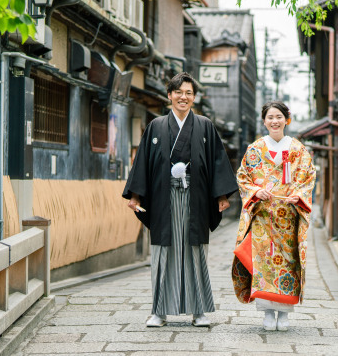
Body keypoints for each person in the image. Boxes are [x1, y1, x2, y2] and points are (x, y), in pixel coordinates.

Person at [123, 72, 237, 328]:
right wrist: (135, 194)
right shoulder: (156, 126)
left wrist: (220, 196)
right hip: (164, 197)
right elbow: (142, 162)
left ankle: (199, 311)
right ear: (169, 96)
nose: (183, 97)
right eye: (178, 92)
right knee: (163, 252)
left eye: (188, 93)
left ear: (194, 98)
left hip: (195, 198)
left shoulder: (205, 125)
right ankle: (159, 312)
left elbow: (217, 161)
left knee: (195, 252)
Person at [232, 101, 316, 332]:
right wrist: (255, 191)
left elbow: (308, 177)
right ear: (264, 121)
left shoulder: (298, 149)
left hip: (288, 218)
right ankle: (268, 312)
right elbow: (243, 176)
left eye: (279, 116)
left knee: (287, 264)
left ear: (286, 119)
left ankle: (284, 312)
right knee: (264, 264)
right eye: (270, 117)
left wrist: (298, 196)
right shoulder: (255, 149)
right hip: (263, 217)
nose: (275, 121)